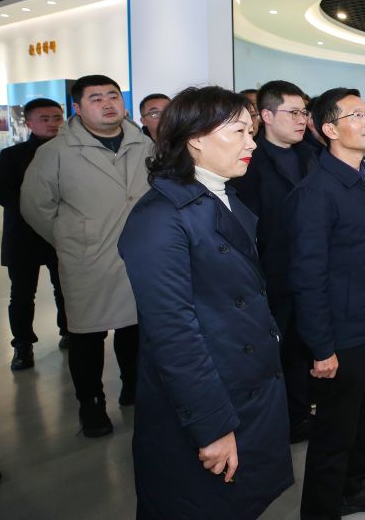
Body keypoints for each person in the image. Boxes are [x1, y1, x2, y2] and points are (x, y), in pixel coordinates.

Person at [118, 86, 293, 519]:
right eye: (239, 132)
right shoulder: (160, 219)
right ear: (195, 138)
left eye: (252, 131)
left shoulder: (223, 195)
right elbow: (174, 336)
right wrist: (212, 426)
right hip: (208, 394)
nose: (252, 143)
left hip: (245, 380)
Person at [285, 88, 365, 519]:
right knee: (335, 429)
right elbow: (308, 278)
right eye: (355, 115)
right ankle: (321, 508)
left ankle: (352, 487)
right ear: (330, 129)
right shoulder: (316, 193)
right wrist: (321, 347)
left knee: (363, 417)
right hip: (344, 334)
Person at [21, 75, 150, 438]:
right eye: (96, 98)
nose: (107, 103)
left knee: (135, 329)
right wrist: (72, 239)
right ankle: (91, 404)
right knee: (87, 336)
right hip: (88, 259)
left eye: (113, 96)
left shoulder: (145, 145)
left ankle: (134, 387)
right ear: (77, 108)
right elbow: (35, 207)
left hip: (139, 256)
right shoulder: (56, 152)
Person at [229, 80, 317, 444]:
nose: (301, 120)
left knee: (306, 347)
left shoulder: (311, 155)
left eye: (304, 112)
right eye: (292, 112)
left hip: (310, 274)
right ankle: (278, 422)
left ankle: (301, 413)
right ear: (266, 115)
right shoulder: (248, 162)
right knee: (275, 354)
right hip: (271, 277)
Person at [0, 98, 69, 370]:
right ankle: (22, 345)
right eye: (44, 119)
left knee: (66, 289)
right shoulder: (12, 155)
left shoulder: (70, 153)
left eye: (56, 118)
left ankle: (69, 331)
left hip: (60, 234)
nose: (52, 123)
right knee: (22, 294)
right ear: (29, 123)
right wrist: (37, 209)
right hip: (23, 236)